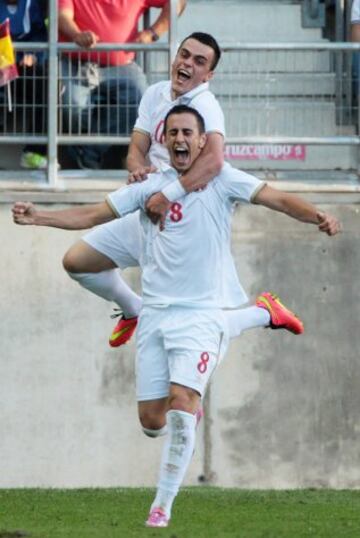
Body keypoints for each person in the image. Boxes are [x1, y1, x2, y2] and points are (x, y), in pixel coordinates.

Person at [12, 105, 341, 527]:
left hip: (201, 315)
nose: (181, 139)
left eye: (189, 132)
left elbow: (275, 198)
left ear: (203, 141)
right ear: (164, 142)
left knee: (184, 406)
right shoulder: (150, 187)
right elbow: (93, 214)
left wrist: (318, 216)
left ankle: (160, 509)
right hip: (155, 316)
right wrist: (40, 216)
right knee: (153, 423)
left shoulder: (222, 181)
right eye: (174, 133)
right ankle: (261, 313)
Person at [61, 32, 304, 349]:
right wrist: (137, 168)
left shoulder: (206, 106)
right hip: (150, 211)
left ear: (209, 75)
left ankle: (262, 314)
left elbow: (215, 161)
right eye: (184, 55)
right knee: (77, 261)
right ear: (175, 57)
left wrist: (168, 195)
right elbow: (137, 147)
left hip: (186, 219)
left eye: (199, 61)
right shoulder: (155, 94)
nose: (187, 63)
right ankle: (134, 309)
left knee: (197, 325)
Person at [58, 0, 186, 169]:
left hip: (123, 65)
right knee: (72, 106)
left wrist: (153, 32)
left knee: (141, 103)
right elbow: (61, 16)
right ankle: (85, 155)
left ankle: (89, 152)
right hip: (77, 63)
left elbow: (177, 3)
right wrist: (77, 35)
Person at [0, 0, 48, 169]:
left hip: (21, 67)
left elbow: (40, 35)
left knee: (45, 87)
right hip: (1, 66)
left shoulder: (31, 5)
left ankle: (34, 153)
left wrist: (33, 54)